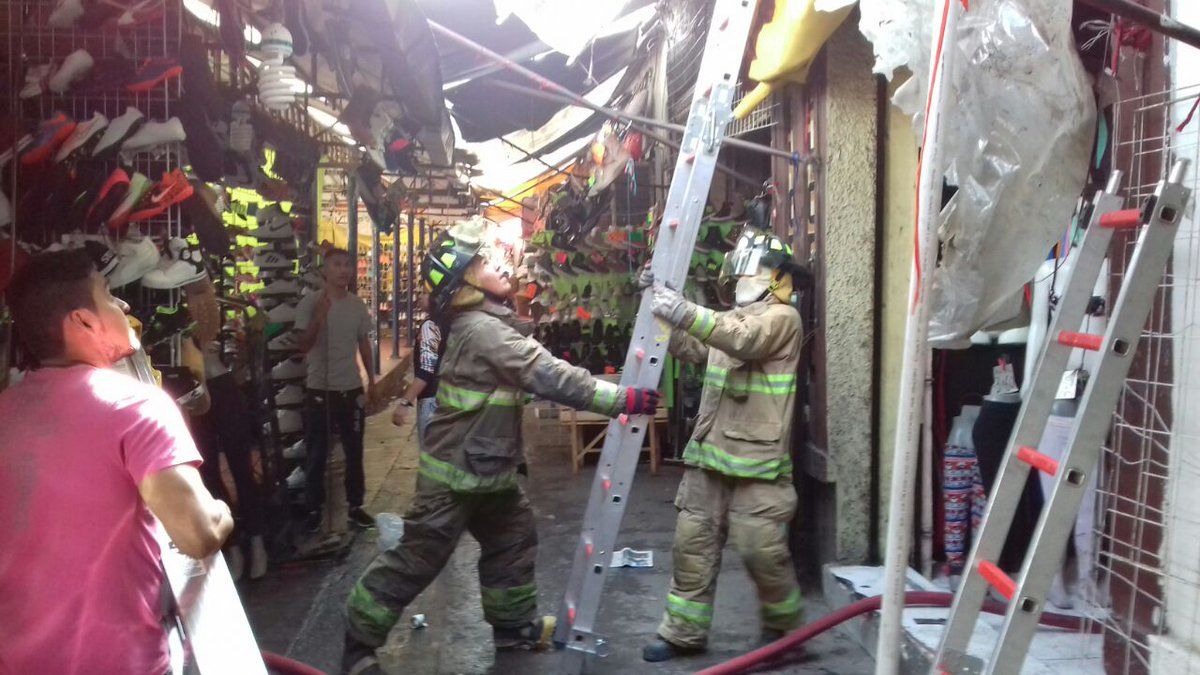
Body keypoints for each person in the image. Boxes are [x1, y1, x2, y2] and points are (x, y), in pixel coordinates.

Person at [342, 218, 661, 673]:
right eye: (487, 263)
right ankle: (357, 645)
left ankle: (513, 628)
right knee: (419, 556)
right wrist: (619, 399)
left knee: (512, 540)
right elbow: (546, 373)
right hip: (455, 476)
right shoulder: (482, 331)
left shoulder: (486, 325)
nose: (503, 267)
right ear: (466, 281)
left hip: (487, 468)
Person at [0, 250, 234, 674]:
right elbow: (197, 534)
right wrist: (222, 510)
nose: (123, 305)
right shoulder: (136, 406)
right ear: (84, 321)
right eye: (108, 294)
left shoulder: (6, 410)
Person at [640, 229, 810, 662]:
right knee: (691, 544)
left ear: (778, 277)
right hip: (710, 455)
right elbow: (691, 345)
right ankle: (682, 633)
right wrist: (657, 305)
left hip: (758, 463)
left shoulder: (783, 319)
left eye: (753, 271)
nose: (742, 280)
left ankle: (786, 633)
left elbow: (744, 340)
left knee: (761, 550)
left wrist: (683, 309)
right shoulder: (729, 320)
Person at [295, 247, 376, 531]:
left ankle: (355, 505)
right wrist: (319, 317)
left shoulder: (357, 305)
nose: (344, 270)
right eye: (337, 264)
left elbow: (363, 344)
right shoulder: (310, 303)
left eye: (347, 265)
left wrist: (371, 381)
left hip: (351, 388)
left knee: (354, 450)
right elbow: (302, 345)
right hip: (320, 388)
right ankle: (314, 508)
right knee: (317, 451)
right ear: (325, 270)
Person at [391, 293, 441, 446]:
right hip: (445, 397)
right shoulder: (450, 322)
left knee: (429, 453)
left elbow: (426, 369)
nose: (420, 297)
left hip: (431, 401)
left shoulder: (429, 326)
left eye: (425, 293)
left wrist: (405, 402)